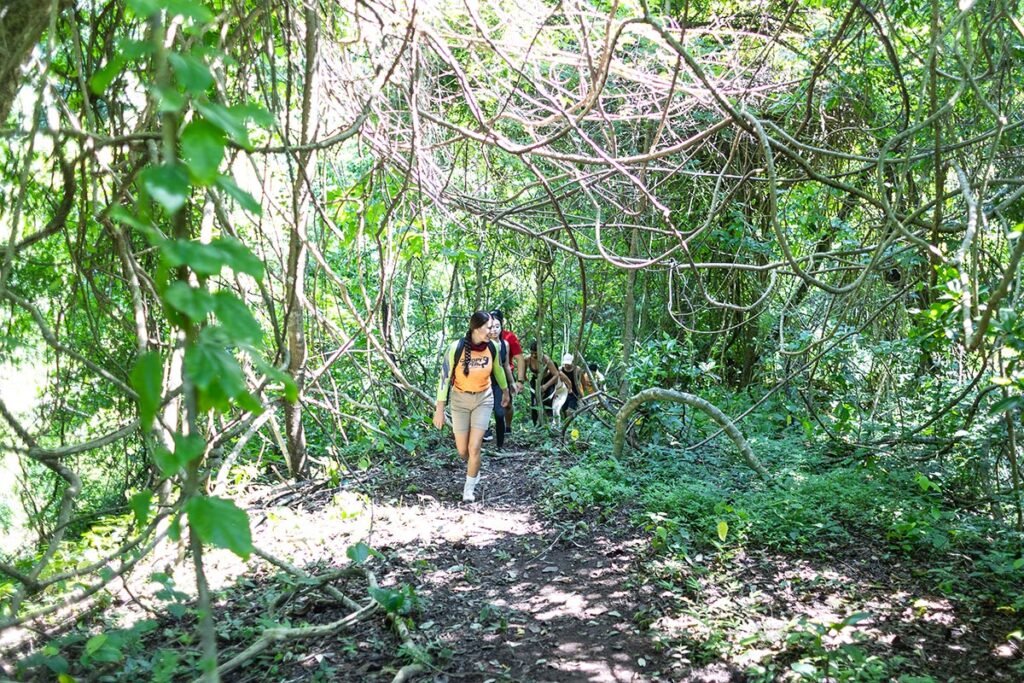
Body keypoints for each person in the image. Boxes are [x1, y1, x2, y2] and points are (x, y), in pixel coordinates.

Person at [433, 311, 509, 502]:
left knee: (474, 448)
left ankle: (469, 489)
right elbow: (443, 378)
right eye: (489, 327)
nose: (493, 330)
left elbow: (498, 370)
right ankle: (474, 468)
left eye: (494, 327)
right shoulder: (455, 348)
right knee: (462, 451)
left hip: (484, 399)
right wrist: (439, 410)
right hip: (459, 400)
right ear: (476, 328)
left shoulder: (493, 346)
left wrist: (506, 391)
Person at [489, 310, 524, 433]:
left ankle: (507, 427)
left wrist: (519, 380)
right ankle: (486, 429)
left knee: (507, 403)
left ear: (502, 322)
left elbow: (519, 358)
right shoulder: (484, 336)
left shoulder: (509, 338)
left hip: (506, 373)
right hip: (487, 376)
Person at [483, 316, 515, 448]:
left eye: (497, 327)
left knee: (499, 412)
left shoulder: (505, 344)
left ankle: (500, 445)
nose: (495, 330)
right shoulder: (482, 344)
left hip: (498, 383)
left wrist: (512, 382)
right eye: (492, 327)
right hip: (483, 383)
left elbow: (506, 365)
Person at [525, 341, 569, 425]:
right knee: (534, 405)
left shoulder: (546, 360)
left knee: (548, 404)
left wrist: (546, 386)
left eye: (536, 353)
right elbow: (523, 374)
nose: (534, 355)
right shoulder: (527, 359)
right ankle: (536, 426)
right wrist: (526, 382)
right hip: (535, 381)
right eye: (532, 353)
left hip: (548, 381)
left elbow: (556, 375)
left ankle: (550, 425)